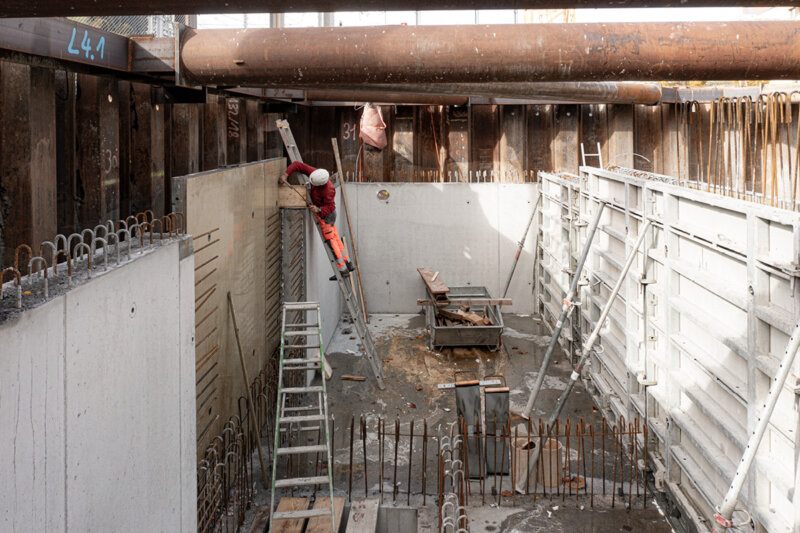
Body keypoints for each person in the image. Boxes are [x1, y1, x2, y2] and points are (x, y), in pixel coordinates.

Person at [280, 162, 355, 279]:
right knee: (335, 238)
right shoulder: (316, 174)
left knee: (331, 242)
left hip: (327, 216)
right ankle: (348, 263)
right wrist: (285, 175)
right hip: (329, 215)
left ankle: (343, 270)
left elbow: (330, 207)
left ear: (321, 184)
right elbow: (297, 164)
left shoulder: (328, 190)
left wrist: (319, 209)